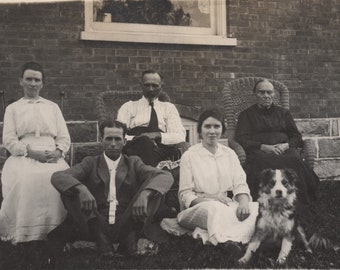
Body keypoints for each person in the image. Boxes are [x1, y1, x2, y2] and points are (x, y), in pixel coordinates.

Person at [49, 119, 174, 256]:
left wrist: (145, 194)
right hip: (95, 222)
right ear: (101, 140)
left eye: (117, 139)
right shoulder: (90, 163)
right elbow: (58, 177)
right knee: (70, 189)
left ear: (124, 142)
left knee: (155, 189)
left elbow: (165, 176)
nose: (113, 144)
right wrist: (81, 189)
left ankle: (130, 238)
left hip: (127, 221)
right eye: (108, 139)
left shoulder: (133, 163)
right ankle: (101, 240)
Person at [0, 62, 71, 244]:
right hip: (24, 155)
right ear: (21, 81)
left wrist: (57, 152)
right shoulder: (13, 109)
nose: (32, 83)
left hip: (51, 155)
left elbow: (64, 137)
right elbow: (9, 139)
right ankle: (26, 232)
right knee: (27, 178)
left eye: (36, 80)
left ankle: (56, 230)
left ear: (42, 83)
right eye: (28, 79)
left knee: (60, 178)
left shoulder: (52, 107)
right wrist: (30, 153)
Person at [235, 79, 319, 225]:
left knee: (295, 161)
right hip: (260, 151)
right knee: (260, 163)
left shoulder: (284, 113)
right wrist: (262, 146)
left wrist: (286, 145)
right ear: (255, 94)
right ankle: (263, 207)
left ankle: (299, 208)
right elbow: (241, 139)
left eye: (269, 92)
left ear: (274, 94)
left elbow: (297, 137)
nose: (266, 95)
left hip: (284, 150)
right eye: (262, 92)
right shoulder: (246, 115)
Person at [177, 109, 258, 249]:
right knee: (215, 209)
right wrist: (211, 200)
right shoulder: (190, 156)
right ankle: (226, 242)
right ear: (200, 130)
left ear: (223, 129)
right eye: (207, 126)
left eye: (217, 126)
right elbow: (185, 195)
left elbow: (240, 183)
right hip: (198, 207)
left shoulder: (229, 153)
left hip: (225, 203)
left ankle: (233, 239)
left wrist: (244, 203)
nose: (212, 131)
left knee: (255, 208)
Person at [117, 69, 187, 167]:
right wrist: (140, 138)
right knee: (145, 142)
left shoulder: (168, 108)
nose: (150, 89)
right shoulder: (129, 107)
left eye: (154, 86)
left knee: (185, 146)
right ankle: (153, 175)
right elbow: (118, 135)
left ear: (161, 87)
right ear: (141, 85)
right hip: (136, 148)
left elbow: (180, 136)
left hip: (162, 149)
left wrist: (157, 135)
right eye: (147, 85)